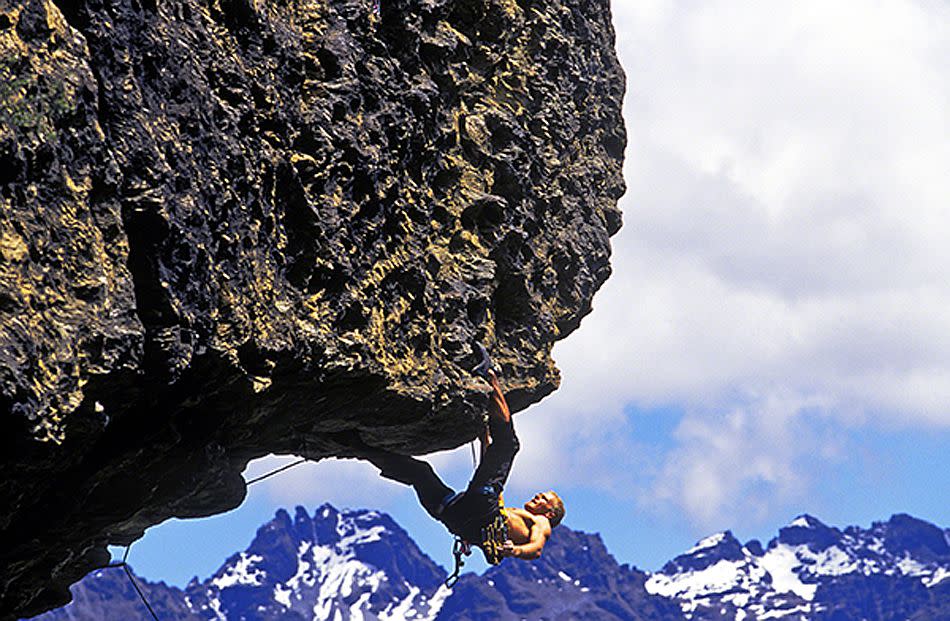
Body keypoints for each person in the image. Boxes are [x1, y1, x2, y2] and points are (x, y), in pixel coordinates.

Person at [346, 349, 565, 565]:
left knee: (508, 445)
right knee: (420, 473)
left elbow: (535, 550)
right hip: (454, 517)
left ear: (551, 511)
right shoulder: (515, 518)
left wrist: (515, 550)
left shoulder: (542, 522)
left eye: (544, 498)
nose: (538, 496)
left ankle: (489, 377)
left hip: (479, 508)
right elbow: (487, 474)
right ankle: (357, 445)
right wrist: (484, 443)